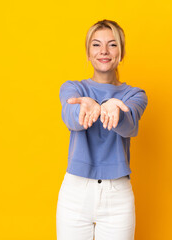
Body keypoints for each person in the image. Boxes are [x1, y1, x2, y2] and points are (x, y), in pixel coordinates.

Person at [56, 19, 148, 240]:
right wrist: (85, 109)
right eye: (96, 45)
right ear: (88, 53)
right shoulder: (73, 88)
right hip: (75, 192)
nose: (104, 51)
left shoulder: (135, 95)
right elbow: (70, 118)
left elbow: (130, 126)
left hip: (117, 196)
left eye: (112, 44)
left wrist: (116, 113)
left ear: (121, 52)